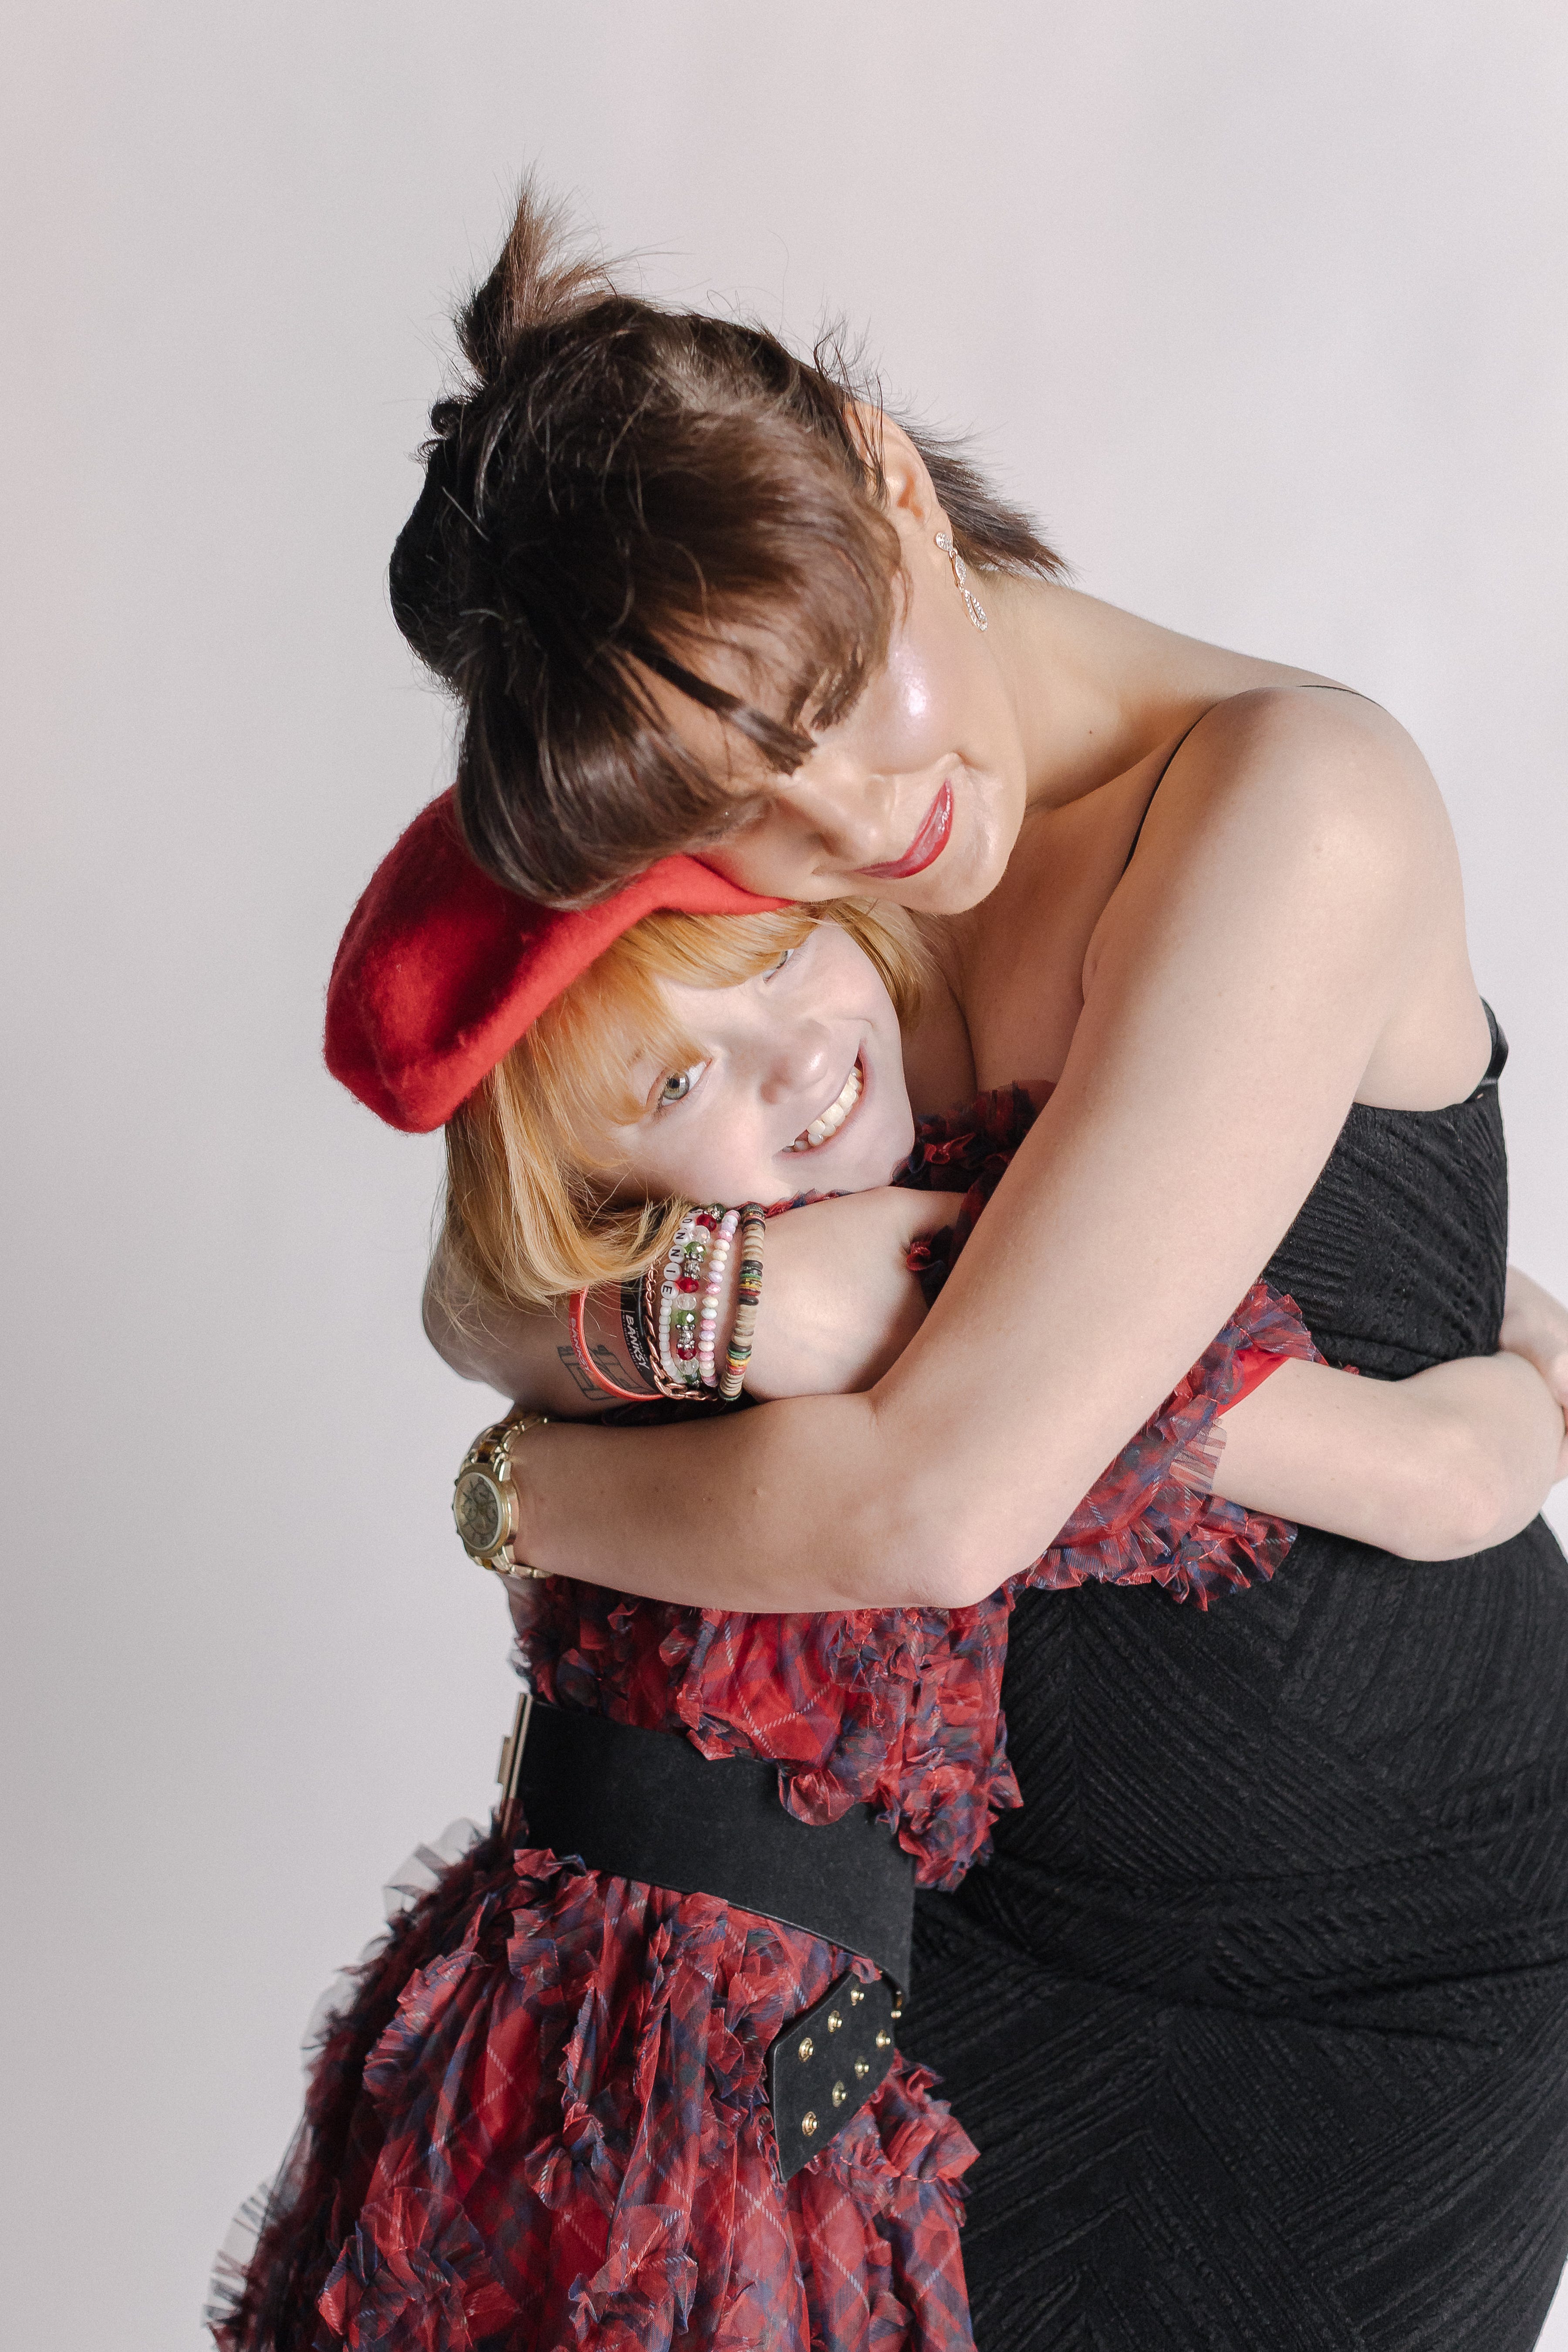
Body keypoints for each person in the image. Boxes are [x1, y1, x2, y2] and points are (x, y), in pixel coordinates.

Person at [392, 186, 1568, 2348]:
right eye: (752, 800)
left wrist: (525, 1489)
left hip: (1365, 2000)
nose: (861, 818)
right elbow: (487, 1273)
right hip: (959, 1937)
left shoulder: (1295, 805)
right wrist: (702, 1318)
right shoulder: (752, 865)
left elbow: (939, 1506)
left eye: (848, 698)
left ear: (891, 476)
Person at [212, 798, 1560, 2352]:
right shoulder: (888, 1304)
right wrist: (1525, 1396)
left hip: (678, 2061)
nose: (792, 1060)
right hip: (663, 2118)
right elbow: (1426, 1479)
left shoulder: (787, 1271)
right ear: (593, 1192)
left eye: (777, 961)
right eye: (674, 1081)